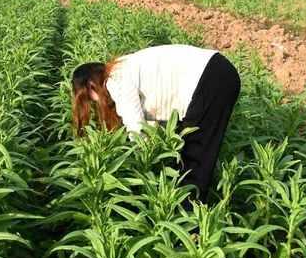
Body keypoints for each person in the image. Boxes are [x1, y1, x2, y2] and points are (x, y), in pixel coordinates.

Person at [70, 44, 241, 202]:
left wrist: (142, 166)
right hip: (216, 71)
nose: (94, 103)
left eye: (89, 99)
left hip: (212, 77)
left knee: (196, 158)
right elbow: (150, 122)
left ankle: (191, 225)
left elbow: (137, 129)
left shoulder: (117, 80)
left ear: (91, 85)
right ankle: (185, 209)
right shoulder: (122, 68)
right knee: (188, 154)